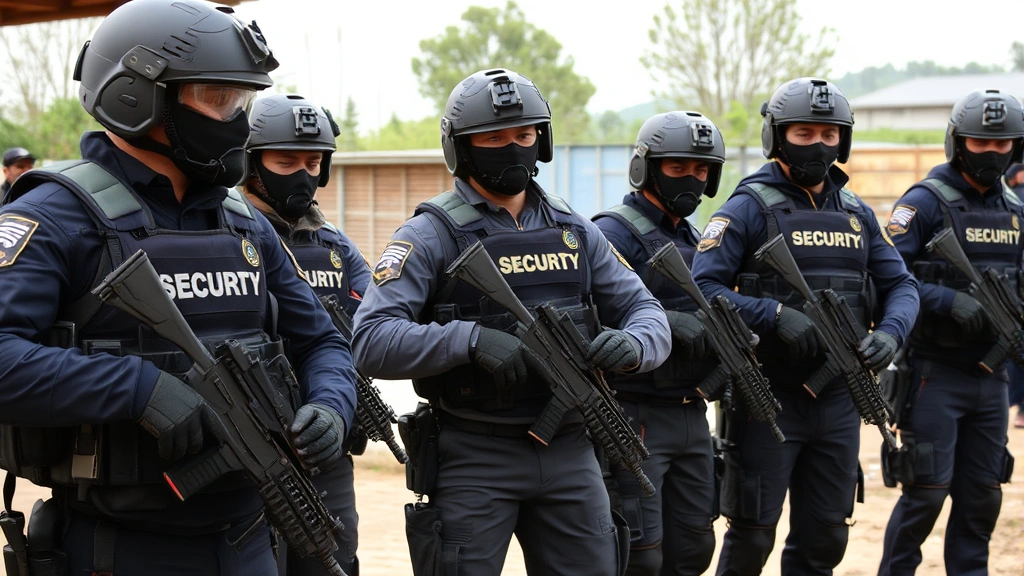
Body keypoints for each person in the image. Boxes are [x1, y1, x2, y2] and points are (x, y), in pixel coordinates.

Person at [0, 1, 356, 574]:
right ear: (137, 97)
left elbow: (322, 342)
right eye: (218, 99)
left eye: (242, 101)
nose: (238, 120)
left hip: (246, 539)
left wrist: (330, 405)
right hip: (118, 545)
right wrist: (138, 389)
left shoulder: (245, 222)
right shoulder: (53, 216)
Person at [352, 68, 671, 576]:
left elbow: (647, 312)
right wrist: (470, 339)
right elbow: (371, 339)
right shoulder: (431, 234)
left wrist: (633, 345)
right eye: (494, 138)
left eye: (524, 135)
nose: (512, 148)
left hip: (571, 447)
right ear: (462, 147)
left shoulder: (575, 230)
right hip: (476, 453)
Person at [690, 77, 920, 576]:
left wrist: (891, 334)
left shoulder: (857, 213)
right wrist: (772, 315)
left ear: (844, 139)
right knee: (752, 535)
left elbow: (903, 286)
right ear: (777, 136)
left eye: (828, 134)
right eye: (803, 133)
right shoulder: (747, 208)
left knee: (827, 535)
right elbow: (702, 290)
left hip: (840, 398)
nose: (818, 145)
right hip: (769, 397)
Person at [877, 89, 1023, 576]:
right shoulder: (925, 202)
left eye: (1003, 144)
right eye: (980, 142)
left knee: (982, 498)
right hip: (934, 374)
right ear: (958, 143)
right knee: (925, 496)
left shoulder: (1015, 208)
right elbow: (888, 278)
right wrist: (949, 302)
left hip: (992, 378)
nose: (992, 153)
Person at [242, 93, 371, 576]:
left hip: (323, 444)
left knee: (334, 561)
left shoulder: (336, 246)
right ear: (250, 162)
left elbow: (374, 322)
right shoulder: (231, 236)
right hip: (250, 444)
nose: (301, 173)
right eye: (285, 160)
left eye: (313, 161)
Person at [591, 111, 725, 576]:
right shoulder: (612, 231)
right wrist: (667, 321)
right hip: (637, 413)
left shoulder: (694, 238)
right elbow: (589, 314)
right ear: (646, 168)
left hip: (692, 412)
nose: (692, 178)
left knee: (694, 550)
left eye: (702, 170)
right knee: (641, 556)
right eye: (678, 168)